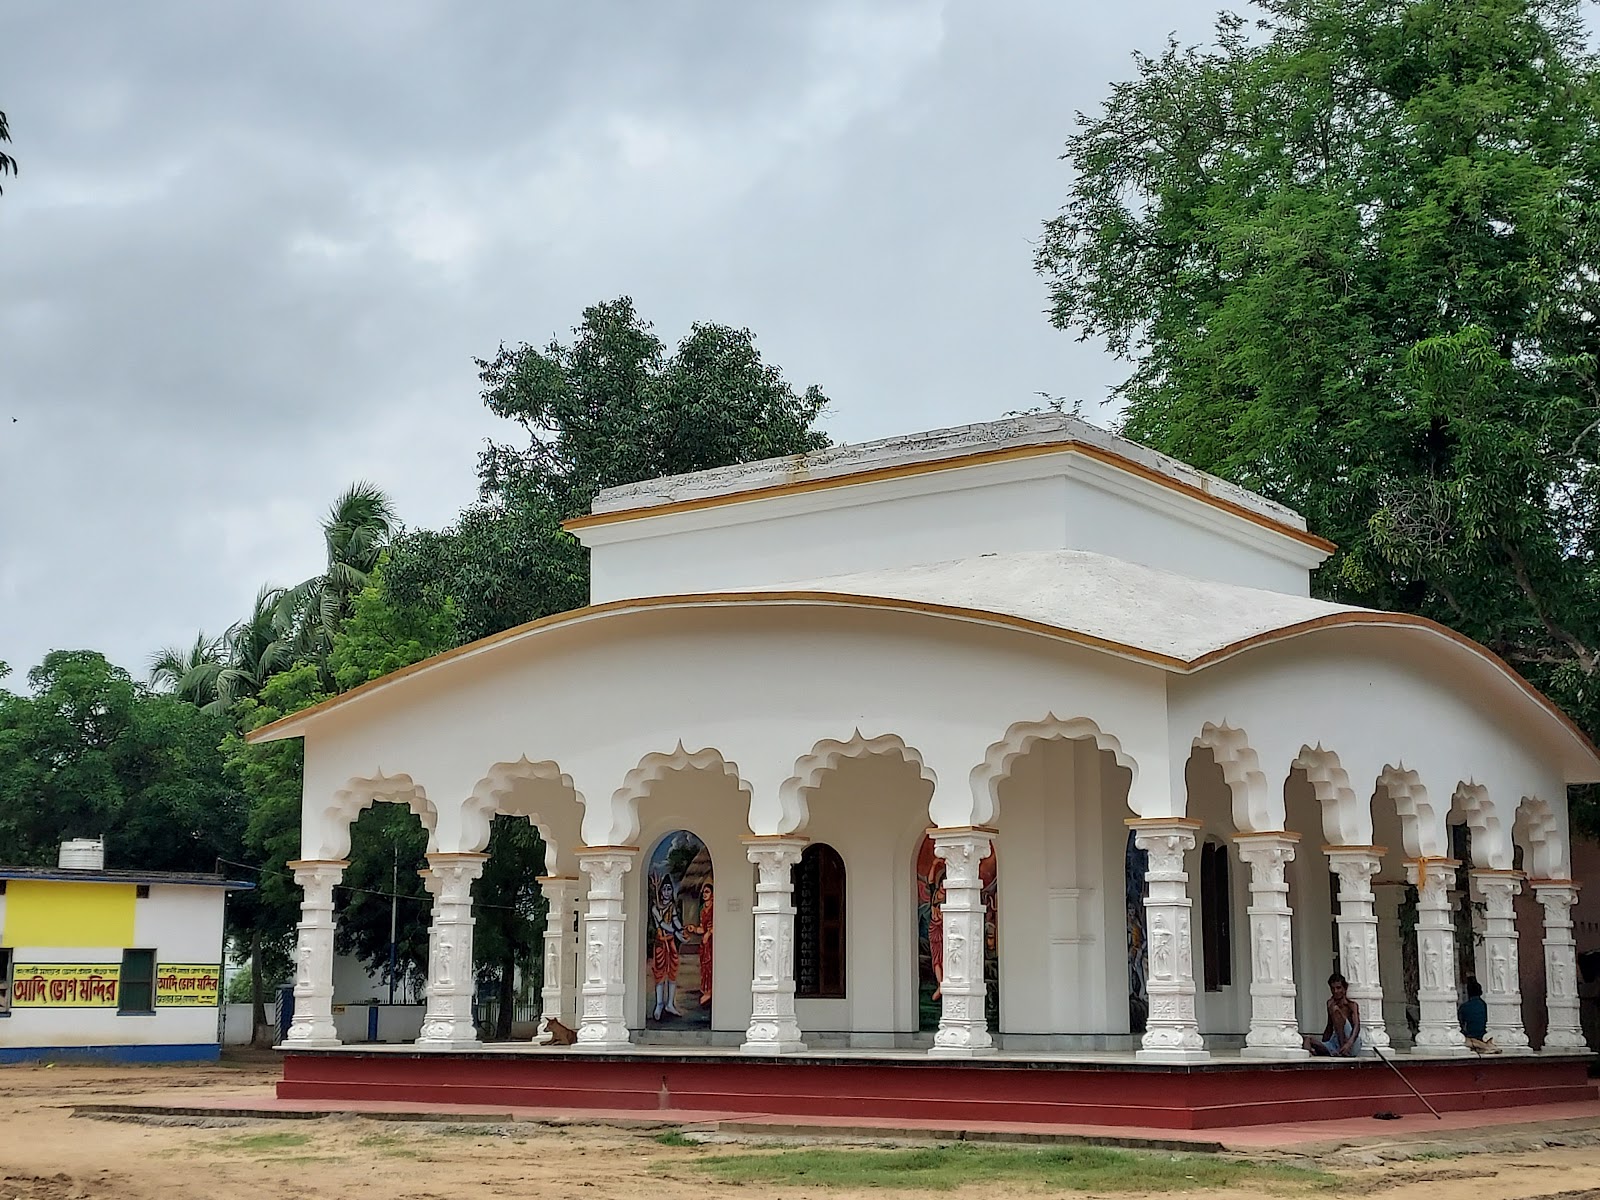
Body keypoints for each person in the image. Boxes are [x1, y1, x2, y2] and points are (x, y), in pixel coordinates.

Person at [1303, 972, 1361, 1057]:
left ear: (1344, 988)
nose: (1335, 991)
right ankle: (1333, 1052)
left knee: (1335, 1010)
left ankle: (1342, 1051)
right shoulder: (1330, 1004)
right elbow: (1329, 1026)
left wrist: (1349, 1044)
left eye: (1338, 988)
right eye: (1333, 988)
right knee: (1307, 1039)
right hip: (1335, 1041)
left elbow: (1357, 1026)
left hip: (1351, 1042)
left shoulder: (1351, 1005)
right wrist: (1323, 1043)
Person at [1459, 976, 1500, 1053]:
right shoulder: (1486, 1006)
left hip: (1472, 1038)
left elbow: (1460, 1026)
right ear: (1481, 992)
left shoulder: (1464, 1007)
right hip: (1486, 1037)